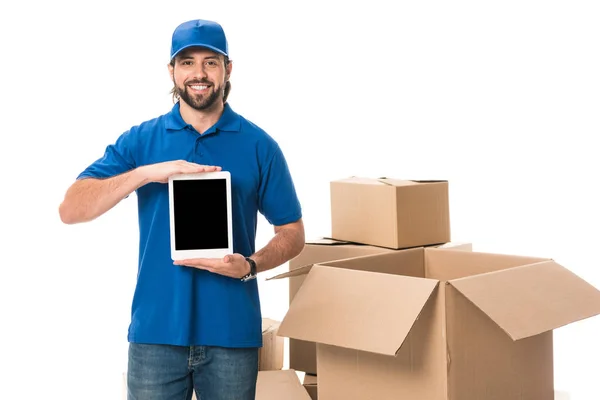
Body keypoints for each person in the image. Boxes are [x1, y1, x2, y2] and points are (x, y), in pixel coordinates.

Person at [58, 18, 305, 400]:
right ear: (172, 71)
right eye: (187, 62)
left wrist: (250, 266)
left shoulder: (260, 146)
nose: (199, 73)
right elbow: (71, 208)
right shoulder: (142, 140)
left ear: (228, 69)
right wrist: (146, 173)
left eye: (210, 61)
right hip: (156, 334)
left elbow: (291, 231)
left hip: (231, 334)